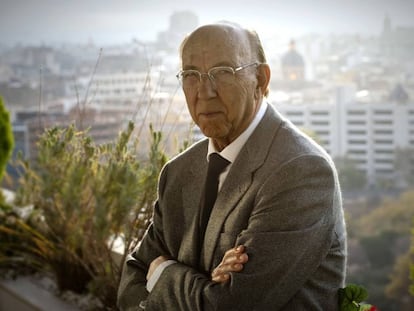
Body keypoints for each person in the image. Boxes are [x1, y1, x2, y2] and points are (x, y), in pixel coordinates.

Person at [117, 21, 347, 310]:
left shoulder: (301, 171)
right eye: (190, 75)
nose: (204, 91)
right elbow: (131, 280)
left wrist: (164, 273)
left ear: (261, 81)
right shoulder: (177, 171)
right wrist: (204, 285)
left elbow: (232, 305)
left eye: (223, 72)